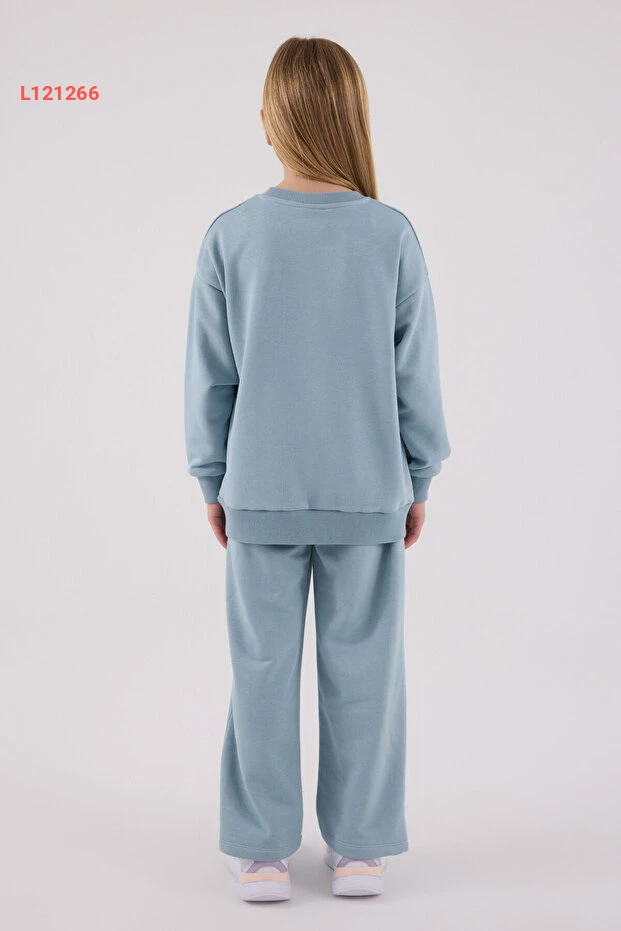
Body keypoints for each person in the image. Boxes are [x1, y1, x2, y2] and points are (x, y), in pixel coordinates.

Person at [184, 35, 451, 902]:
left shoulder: (231, 235)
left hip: (259, 492)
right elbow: (415, 375)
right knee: (365, 673)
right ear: (349, 118)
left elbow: (211, 375)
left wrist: (212, 477)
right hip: (368, 491)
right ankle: (359, 849)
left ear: (272, 121)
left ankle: (262, 851)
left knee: (260, 673)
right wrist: (419, 475)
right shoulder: (390, 234)